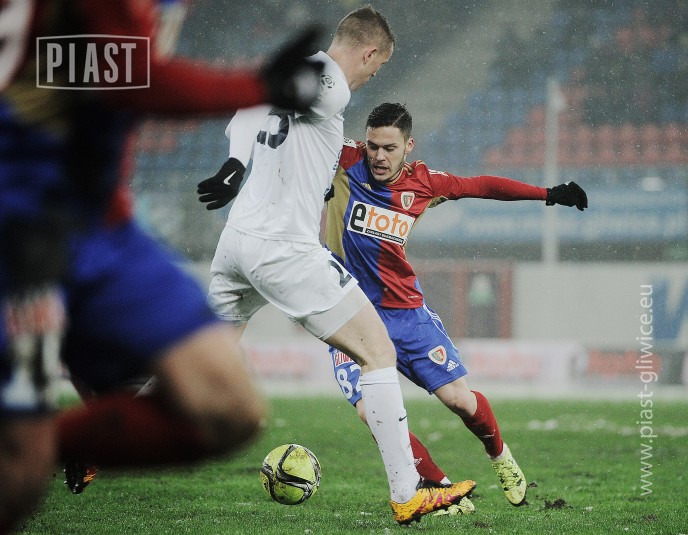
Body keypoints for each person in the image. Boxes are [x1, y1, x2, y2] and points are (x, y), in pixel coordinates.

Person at [0, 0, 323, 532]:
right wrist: (259, 86)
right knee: (14, 487)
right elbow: (129, 80)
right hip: (22, 227)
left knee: (226, 407)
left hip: (100, 228)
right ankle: (26, 450)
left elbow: (91, 73)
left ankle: (40, 445)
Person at [200, 5, 476, 526]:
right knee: (379, 351)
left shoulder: (300, 71)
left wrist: (236, 161)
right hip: (285, 250)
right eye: (379, 66)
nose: (374, 76)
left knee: (202, 361)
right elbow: (305, 92)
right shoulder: (332, 84)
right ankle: (408, 494)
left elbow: (250, 105)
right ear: (369, 53)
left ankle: (101, 441)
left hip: (236, 243)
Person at [323, 102, 588, 510]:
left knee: (459, 401)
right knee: (369, 411)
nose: (379, 156)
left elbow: (482, 185)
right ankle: (440, 487)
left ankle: (500, 456)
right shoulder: (343, 159)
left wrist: (548, 194)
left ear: (408, 146)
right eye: (373, 146)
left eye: (390, 148)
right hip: (348, 312)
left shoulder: (425, 183)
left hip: (404, 313)